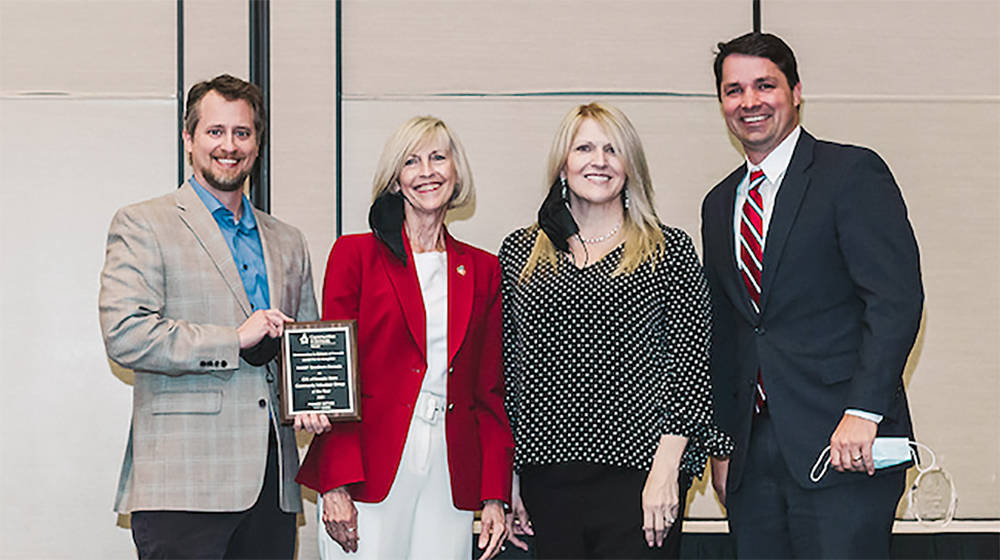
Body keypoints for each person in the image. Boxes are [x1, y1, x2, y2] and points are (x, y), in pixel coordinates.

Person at [701, 33, 924, 558]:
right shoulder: (718, 204)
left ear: (796, 91)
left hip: (843, 445)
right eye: (734, 90)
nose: (749, 101)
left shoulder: (849, 173)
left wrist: (863, 412)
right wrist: (723, 443)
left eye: (765, 85)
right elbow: (728, 332)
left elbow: (895, 301)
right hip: (752, 458)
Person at [99, 74, 331, 558]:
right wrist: (233, 339)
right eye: (215, 131)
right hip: (183, 481)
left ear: (257, 142)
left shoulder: (288, 240)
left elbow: (302, 344)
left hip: (272, 484)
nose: (229, 145)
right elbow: (126, 334)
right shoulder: (143, 223)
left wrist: (311, 394)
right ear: (189, 139)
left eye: (242, 133)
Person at [499, 102, 733, 559]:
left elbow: (690, 368)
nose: (599, 160)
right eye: (584, 147)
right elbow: (506, 372)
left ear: (630, 166)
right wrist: (505, 478)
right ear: (562, 165)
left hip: (644, 481)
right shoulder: (521, 252)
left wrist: (666, 473)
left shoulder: (668, 250)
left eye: (612, 149)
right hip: (546, 481)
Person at [295, 116, 513, 560]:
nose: (427, 171)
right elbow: (333, 377)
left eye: (438, 158)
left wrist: (496, 493)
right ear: (396, 179)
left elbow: (489, 391)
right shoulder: (354, 255)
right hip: (368, 468)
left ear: (456, 171)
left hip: (450, 471)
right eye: (411, 162)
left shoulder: (484, 269)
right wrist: (334, 484)